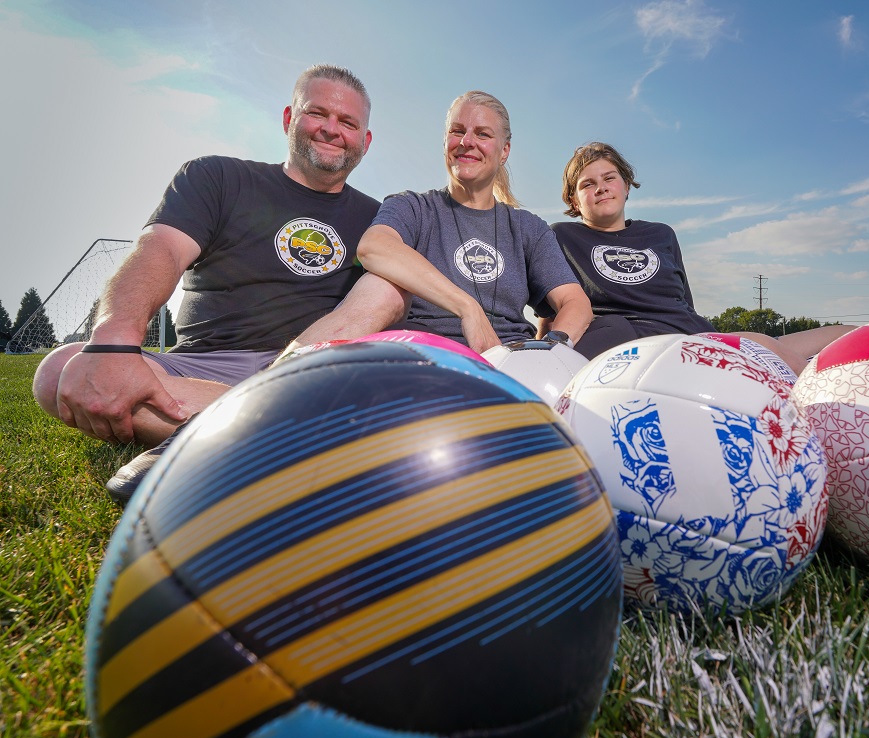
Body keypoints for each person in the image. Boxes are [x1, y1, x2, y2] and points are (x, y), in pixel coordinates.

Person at [32, 64, 408, 501]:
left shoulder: (379, 218)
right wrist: (113, 339)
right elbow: (162, 250)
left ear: (365, 140)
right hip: (201, 367)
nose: (330, 129)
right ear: (289, 119)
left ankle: (236, 429)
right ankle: (287, 432)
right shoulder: (217, 177)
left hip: (311, 365)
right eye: (316, 113)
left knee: (389, 294)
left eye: (347, 122)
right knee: (59, 372)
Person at [547, 142, 852, 369]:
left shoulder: (661, 233)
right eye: (588, 184)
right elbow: (554, 309)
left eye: (609, 178)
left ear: (626, 185)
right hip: (626, 342)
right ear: (573, 199)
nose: (601, 188)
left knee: (803, 345)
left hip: (691, 335)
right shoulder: (561, 235)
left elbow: (684, 304)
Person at [351, 90, 591, 353]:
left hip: (510, 357)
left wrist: (550, 349)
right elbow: (373, 247)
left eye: (483, 134)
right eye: (457, 131)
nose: (467, 141)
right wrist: (468, 308)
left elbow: (575, 301)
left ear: (504, 151)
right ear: (444, 141)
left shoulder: (528, 228)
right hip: (426, 353)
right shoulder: (413, 207)